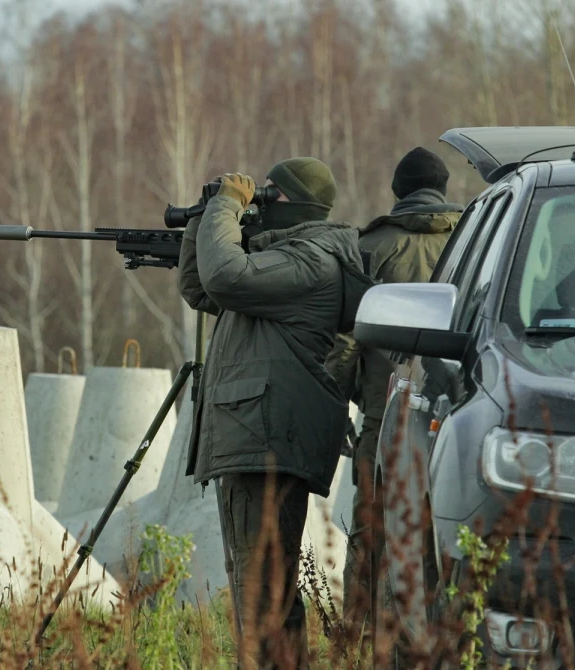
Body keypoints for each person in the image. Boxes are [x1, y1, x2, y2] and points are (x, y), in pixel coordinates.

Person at [178, 157, 373, 669]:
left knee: (262, 587)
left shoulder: (309, 260)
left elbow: (224, 275)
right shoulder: (285, 261)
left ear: (297, 203)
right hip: (257, 432)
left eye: (271, 193)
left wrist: (227, 207)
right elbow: (200, 287)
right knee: (261, 583)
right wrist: (206, 214)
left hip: (265, 437)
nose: (261, 201)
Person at [325, 146, 464, 640]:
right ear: (443, 189)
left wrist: (342, 399)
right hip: (459, 415)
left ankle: (361, 636)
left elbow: (347, 338)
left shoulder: (371, 247)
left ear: (397, 192)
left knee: (372, 528)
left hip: (385, 414)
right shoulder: (475, 239)